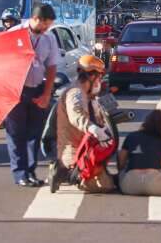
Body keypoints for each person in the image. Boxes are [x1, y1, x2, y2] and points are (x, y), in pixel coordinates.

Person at [5, 3, 60, 187]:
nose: (47, 29)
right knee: (16, 133)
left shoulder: (49, 38)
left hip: (37, 89)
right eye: (45, 24)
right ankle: (19, 173)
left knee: (34, 134)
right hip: (16, 90)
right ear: (36, 19)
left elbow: (52, 67)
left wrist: (46, 94)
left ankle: (30, 171)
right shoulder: (14, 34)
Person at [49, 55, 115, 193]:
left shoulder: (87, 94)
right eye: (99, 77)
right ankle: (67, 173)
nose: (100, 81)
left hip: (84, 148)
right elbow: (76, 116)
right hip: (75, 153)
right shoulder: (76, 93)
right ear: (92, 76)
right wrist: (94, 129)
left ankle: (71, 172)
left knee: (109, 180)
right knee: (106, 186)